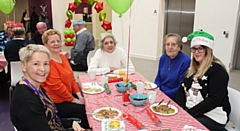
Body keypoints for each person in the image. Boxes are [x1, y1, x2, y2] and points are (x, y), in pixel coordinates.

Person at [10, 44, 84, 131]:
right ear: (23, 66)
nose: (43, 69)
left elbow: (49, 121)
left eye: (46, 64)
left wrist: (70, 123)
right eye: (36, 64)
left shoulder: (36, 87)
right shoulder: (27, 101)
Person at [176, 30, 230, 131]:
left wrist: (189, 114)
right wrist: (181, 110)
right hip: (193, 110)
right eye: (194, 49)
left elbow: (214, 100)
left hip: (213, 116)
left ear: (208, 50)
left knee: (181, 127)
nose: (196, 52)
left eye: (200, 49)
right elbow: (182, 89)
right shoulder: (193, 69)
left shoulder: (218, 70)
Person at [40, 29, 91, 130]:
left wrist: (79, 95)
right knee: (85, 110)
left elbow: (71, 78)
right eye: (52, 42)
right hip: (56, 102)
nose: (56, 44)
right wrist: (75, 100)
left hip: (67, 96)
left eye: (58, 41)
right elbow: (57, 86)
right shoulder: (47, 62)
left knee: (88, 101)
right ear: (45, 44)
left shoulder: (62, 57)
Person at [154, 33, 190, 100]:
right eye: (167, 44)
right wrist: (156, 89)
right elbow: (158, 77)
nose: (170, 47)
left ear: (179, 47)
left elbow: (181, 88)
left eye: (173, 44)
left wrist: (163, 94)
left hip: (175, 97)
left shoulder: (185, 61)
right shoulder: (163, 57)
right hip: (160, 93)